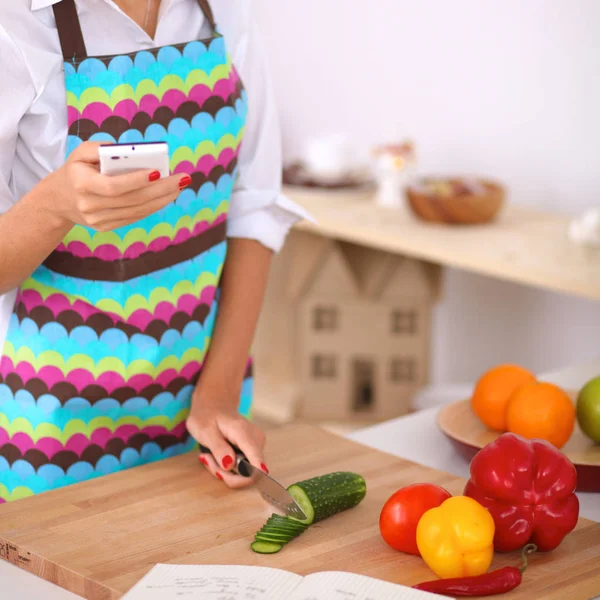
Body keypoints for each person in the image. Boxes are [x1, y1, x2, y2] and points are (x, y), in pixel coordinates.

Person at [0, 0, 311, 502]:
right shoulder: (12, 23)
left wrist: (219, 392)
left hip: (199, 410)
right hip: (47, 424)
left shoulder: (225, 11)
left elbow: (252, 208)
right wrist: (55, 207)